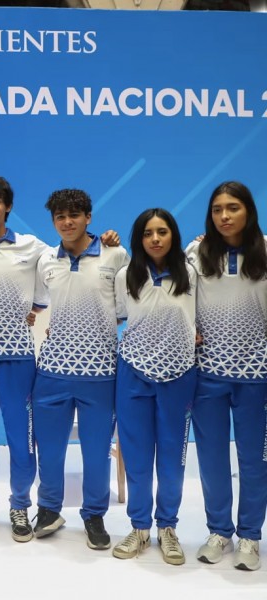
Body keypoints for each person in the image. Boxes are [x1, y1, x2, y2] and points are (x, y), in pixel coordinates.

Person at [0, 176, 121, 542]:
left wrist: (106, 240)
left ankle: (19, 505)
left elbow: (58, 277)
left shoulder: (35, 248)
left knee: (21, 441)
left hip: (19, 361)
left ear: (8, 206)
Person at [31, 189, 129, 550]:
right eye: (60, 216)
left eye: (74, 215)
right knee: (49, 449)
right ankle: (48, 509)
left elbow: (123, 311)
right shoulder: (46, 259)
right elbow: (38, 303)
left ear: (88, 217)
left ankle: (94, 515)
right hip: (52, 370)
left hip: (101, 372)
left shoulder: (115, 254)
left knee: (96, 451)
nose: (67, 222)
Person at [186, 181, 267, 572]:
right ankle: (219, 531)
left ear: (248, 210)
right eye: (217, 209)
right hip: (208, 375)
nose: (224, 216)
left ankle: (250, 535)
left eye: (232, 207)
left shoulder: (265, 249)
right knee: (212, 458)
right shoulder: (197, 252)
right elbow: (178, 299)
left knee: (253, 460)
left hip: (257, 374)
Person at [112, 208, 197, 565]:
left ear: (173, 235)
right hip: (134, 372)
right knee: (136, 456)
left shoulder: (192, 272)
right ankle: (139, 528)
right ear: (139, 239)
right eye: (148, 233)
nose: (156, 239)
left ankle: (168, 527)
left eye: (162, 231)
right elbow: (119, 315)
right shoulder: (125, 276)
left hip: (179, 374)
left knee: (172, 459)